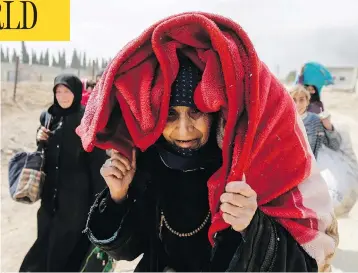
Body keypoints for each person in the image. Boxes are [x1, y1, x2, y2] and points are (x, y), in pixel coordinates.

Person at [77, 12, 338, 272]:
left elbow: (300, 266)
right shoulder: (151, 160)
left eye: (195, 112)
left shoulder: (247, 169)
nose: (183, 130)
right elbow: (129, 250)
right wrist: (118, 197)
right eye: (170, 115)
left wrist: (253, 225)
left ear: (214, 112)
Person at [20, 74, 108, 272]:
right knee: (45, 242)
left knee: (66, 249)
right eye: (58, 91)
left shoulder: (87, 119)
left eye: (66, 91)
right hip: (50, 199)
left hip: (76, 202)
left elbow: (97, 163)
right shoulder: (50, 117)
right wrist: (39, 137)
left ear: (76, 92)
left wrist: (100, 204)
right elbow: (45, 154)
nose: (62, 96)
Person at [290, 85, 341, 158]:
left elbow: (335, 146)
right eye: (293, 100)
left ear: (307, 102)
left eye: (301, 99)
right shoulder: (283, 120)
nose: (297, 104)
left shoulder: (315, 120)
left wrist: (329, 128)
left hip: (309, 166)